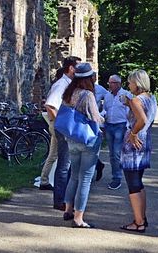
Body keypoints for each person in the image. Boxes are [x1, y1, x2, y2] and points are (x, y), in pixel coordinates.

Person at [60, 63, 104, 229]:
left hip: (72, 139)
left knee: (74, 176)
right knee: (85, 179)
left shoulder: (69, 93)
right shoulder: (87, 95)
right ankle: (78, 218)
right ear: (89, 78)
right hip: (88, 140)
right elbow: (95, 118)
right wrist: (105, 121)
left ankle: (68, 209)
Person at [119, 69, 157, 233]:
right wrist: (129, 104)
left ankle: (138, 222)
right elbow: (147, 117)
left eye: (130, 82)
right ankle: (142, 217)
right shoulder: (151, 98)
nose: (128, 85)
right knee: (139, 182)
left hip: (134, 142)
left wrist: (133, 133)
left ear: (137, 83)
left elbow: (142, 119)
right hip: (145, 140)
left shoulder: (136, 100)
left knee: (132, 183)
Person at [43, 56, 80, 205]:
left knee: (67, 163)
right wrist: (61, 124)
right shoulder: (61, 85)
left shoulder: (68, 83)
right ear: (71, 68)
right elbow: (50, 105)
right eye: (78, 67)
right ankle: (60, 200)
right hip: (62, 128)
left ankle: (64, 197)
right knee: (64, 164)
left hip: (65, 127)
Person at [102, 74, 130, 190]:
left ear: (118, 84)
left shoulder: (126, 95)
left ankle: (117, 178)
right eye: (109, 82)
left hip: (120, 125)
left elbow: (129, 111)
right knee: (112, 153)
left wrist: (128, 127)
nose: (109, 85)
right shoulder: (107, 96)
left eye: (112, 83)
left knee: (116, 153)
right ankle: (116, 174)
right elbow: (106, 109)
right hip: (109, 125)